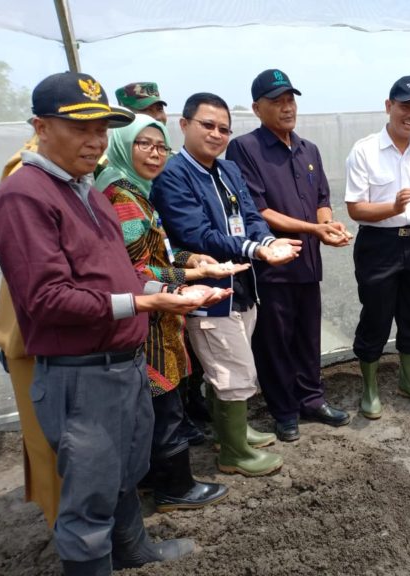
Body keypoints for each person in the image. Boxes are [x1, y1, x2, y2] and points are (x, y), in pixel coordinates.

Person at [0, 71, 231, 575]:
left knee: (124, 473)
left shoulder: (88, 189)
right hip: (80, 374)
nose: (94, 140)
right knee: (88, 497)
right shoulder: (24, 196)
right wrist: (142, 307)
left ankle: (132, 549)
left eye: (101, 128)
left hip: (123, 363)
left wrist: (165, 291)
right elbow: (47, 299)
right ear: (40, 126)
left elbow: (118, 273)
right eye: (80, 128)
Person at [152, 92, 300, 475]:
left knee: (232, 361)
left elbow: (250, 214)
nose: (217, 135)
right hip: (209, 289)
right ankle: (234, 453)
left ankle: (229, 431)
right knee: (231, 369)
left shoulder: (227, 169)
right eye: (207, 125)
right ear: (183, 126)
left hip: (242, 283)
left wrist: (267, 240)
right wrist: (257, 249)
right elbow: (197, 235)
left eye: (224, 129)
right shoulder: (173, 176)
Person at [96, 114, 235, 512]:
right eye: (144, 145)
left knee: (157, 403)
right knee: (163, 401)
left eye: (161, 147)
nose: (156, 155)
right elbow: (138, 269)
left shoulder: (137, 190)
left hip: (156, 310)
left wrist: (192, 261)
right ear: (123, 145)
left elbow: (157, 252)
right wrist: (190, 277)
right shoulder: (123, 196)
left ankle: (151, 479)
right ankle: (175, 486)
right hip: (150, 318)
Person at [226, 69, 351, 442]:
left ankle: (312, 399)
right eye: (276, 101)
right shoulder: (245, 148)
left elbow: (322, 201)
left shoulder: (308, 149)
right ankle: (284, 410)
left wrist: (329, 226)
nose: (286, 108)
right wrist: (313, 229)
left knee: (307, 335)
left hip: (308, 264)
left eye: (290, 100)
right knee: (275, 340)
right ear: (256, 108)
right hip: (273, 266)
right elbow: (257, 210)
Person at [345, 75, 410, 418]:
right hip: (378, 244)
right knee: (376, 315)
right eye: (405, 106)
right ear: (389, 107)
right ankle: (370, 388)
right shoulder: (365, 150)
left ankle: (409, 381)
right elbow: (356, 208)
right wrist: (395, 208)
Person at [0, 137, 60, 528]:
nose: (94, 139)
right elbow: (44, 289)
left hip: (56, 333)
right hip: (38, 337)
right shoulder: (27, 183)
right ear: (45, 126)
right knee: (52, 444)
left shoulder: (73, 176)